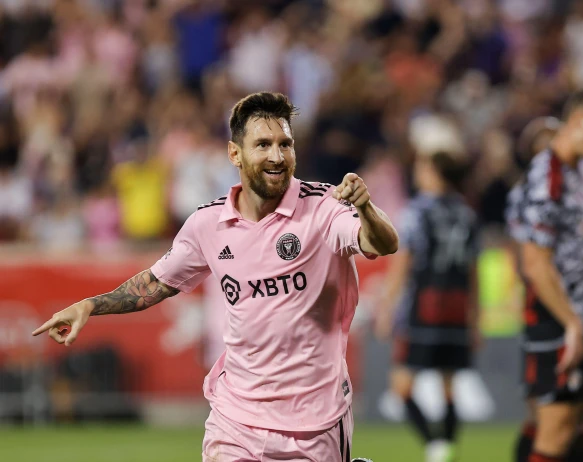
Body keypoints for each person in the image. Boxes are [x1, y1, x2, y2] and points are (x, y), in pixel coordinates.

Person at [32, 92, 399, 462]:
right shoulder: (208, 224)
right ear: (235, 153)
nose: (277, 156)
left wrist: (365, 207)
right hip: (235, 419)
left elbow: (381, 242)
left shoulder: (323, 206)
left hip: (314, 423)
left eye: (285, 144)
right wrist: (89, 306)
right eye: (263, 144)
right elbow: (156, 284)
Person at [505, 87, 583, 462]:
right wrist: (571, 323)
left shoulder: (573, 177)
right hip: (558, 320)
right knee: (556, 432)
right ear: (579, 121)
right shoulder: (546, 180)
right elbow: (534, 263)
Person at [375, 149, 481, 462]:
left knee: (401, 387)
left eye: (423, 168)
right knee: (449, 386)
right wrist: (476, 318)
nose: (418, 173)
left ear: (435, 173)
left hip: (423, 307)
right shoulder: (467, 213)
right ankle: (445, 446)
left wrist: (387, 307)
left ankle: (434, 445)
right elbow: (473, 271)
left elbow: (403, 262)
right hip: (457, 308)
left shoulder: (417, 211)